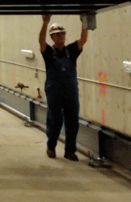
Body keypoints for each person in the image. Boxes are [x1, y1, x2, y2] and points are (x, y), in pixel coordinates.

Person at [39, 13, 88, 161]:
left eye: (62, 34)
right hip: (54, 91)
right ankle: (51, 146)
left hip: (70, 91)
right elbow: (41, 41)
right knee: (55, 119)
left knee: (72, 120)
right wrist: (45, 23)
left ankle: (70, 151)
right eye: (57, 35)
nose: (60, 36)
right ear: (52, 38)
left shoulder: (71, 50)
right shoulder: (48, 52)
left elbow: (83, 40)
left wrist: (84, 22)